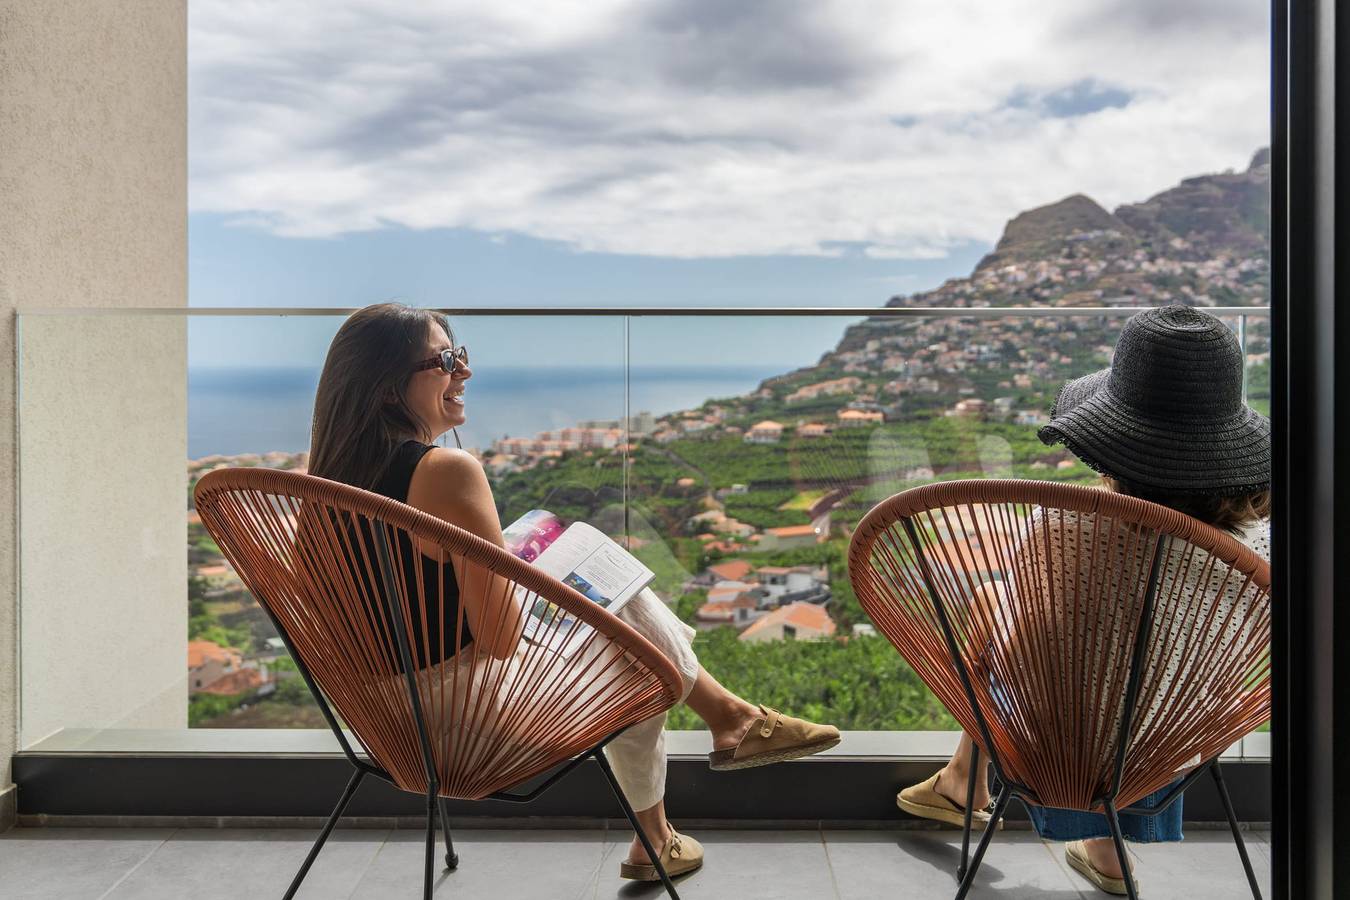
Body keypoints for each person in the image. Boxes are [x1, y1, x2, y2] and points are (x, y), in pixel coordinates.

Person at [307, 302, 841, 883]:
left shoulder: (319, 482)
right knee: (634, 638)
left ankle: (715, 743)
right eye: (447, 360)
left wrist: (503, 566)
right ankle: (710, 752)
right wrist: (520, 577)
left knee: (615, 598)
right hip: (465, 720)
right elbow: (501, 637)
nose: (465, 372)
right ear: (388, 388)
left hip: (383, 723)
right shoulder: (444, 472)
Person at [896, 304, 1270, 895]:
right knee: (1140, 677)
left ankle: (965, 777)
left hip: (1047, 747)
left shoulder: (1056, 526)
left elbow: (1020, 647)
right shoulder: (1253, 555)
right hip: (1164, 749)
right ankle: (1106, 850)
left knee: (1004, 617)